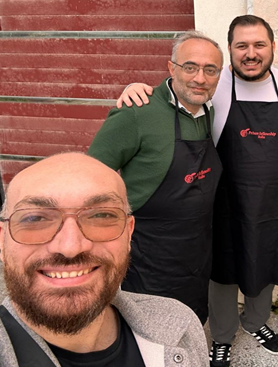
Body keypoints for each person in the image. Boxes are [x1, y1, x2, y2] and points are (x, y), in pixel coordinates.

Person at [118, 15, 278, 367]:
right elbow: (171, 94)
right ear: (231, 50)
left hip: (272, 203)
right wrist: (135, 88)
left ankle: (255, 321)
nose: (251, 53)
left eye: (259, 45)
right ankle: (222, 335)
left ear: (273, 47)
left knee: (263, 263)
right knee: (222, 272)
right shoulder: (214, 85)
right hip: (222, 202)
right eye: (241, 46)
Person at [0, 153, 208, 366]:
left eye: (101, 215)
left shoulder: (178, 324)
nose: (70, 246)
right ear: (2, 239)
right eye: (34, 218)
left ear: (128, 233)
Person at [87, 31, 224, 324]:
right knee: (152, 327)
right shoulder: (138, 112)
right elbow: (91, 178)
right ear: (171, 68)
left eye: (210, 70)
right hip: (149, 255)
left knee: (191, 321)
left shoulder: (210, 113)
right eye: (190, 67)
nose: (200, 78)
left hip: (197, 249)